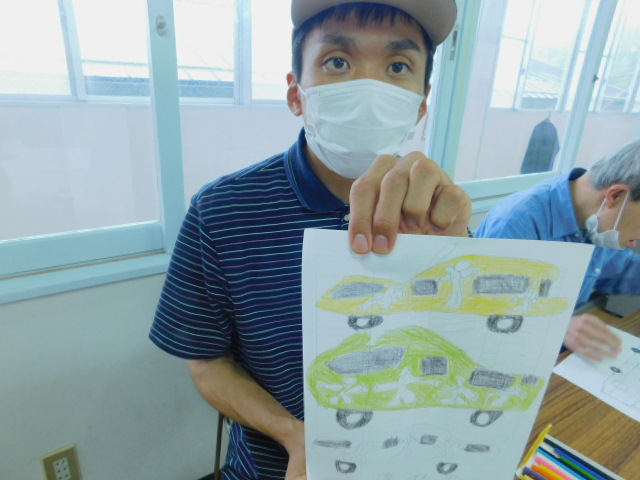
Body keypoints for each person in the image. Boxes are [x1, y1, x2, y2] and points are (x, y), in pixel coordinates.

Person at [149, 1, 469, 480]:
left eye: (397, 66)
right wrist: (293, 435)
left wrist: (454, 250)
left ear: (421, 105)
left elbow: (464, 350)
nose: (368, 87)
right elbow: (207, 362)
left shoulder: (436, 214)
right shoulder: (221, 212)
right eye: (337, 61)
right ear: (296, 94)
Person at [476, 139, 640, 361]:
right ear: (615, 196)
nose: (635, 243)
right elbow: (484, 318)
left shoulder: (595, 223)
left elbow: (621, 270)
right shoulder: (516, 222)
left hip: (554, 355)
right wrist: (558, 326)